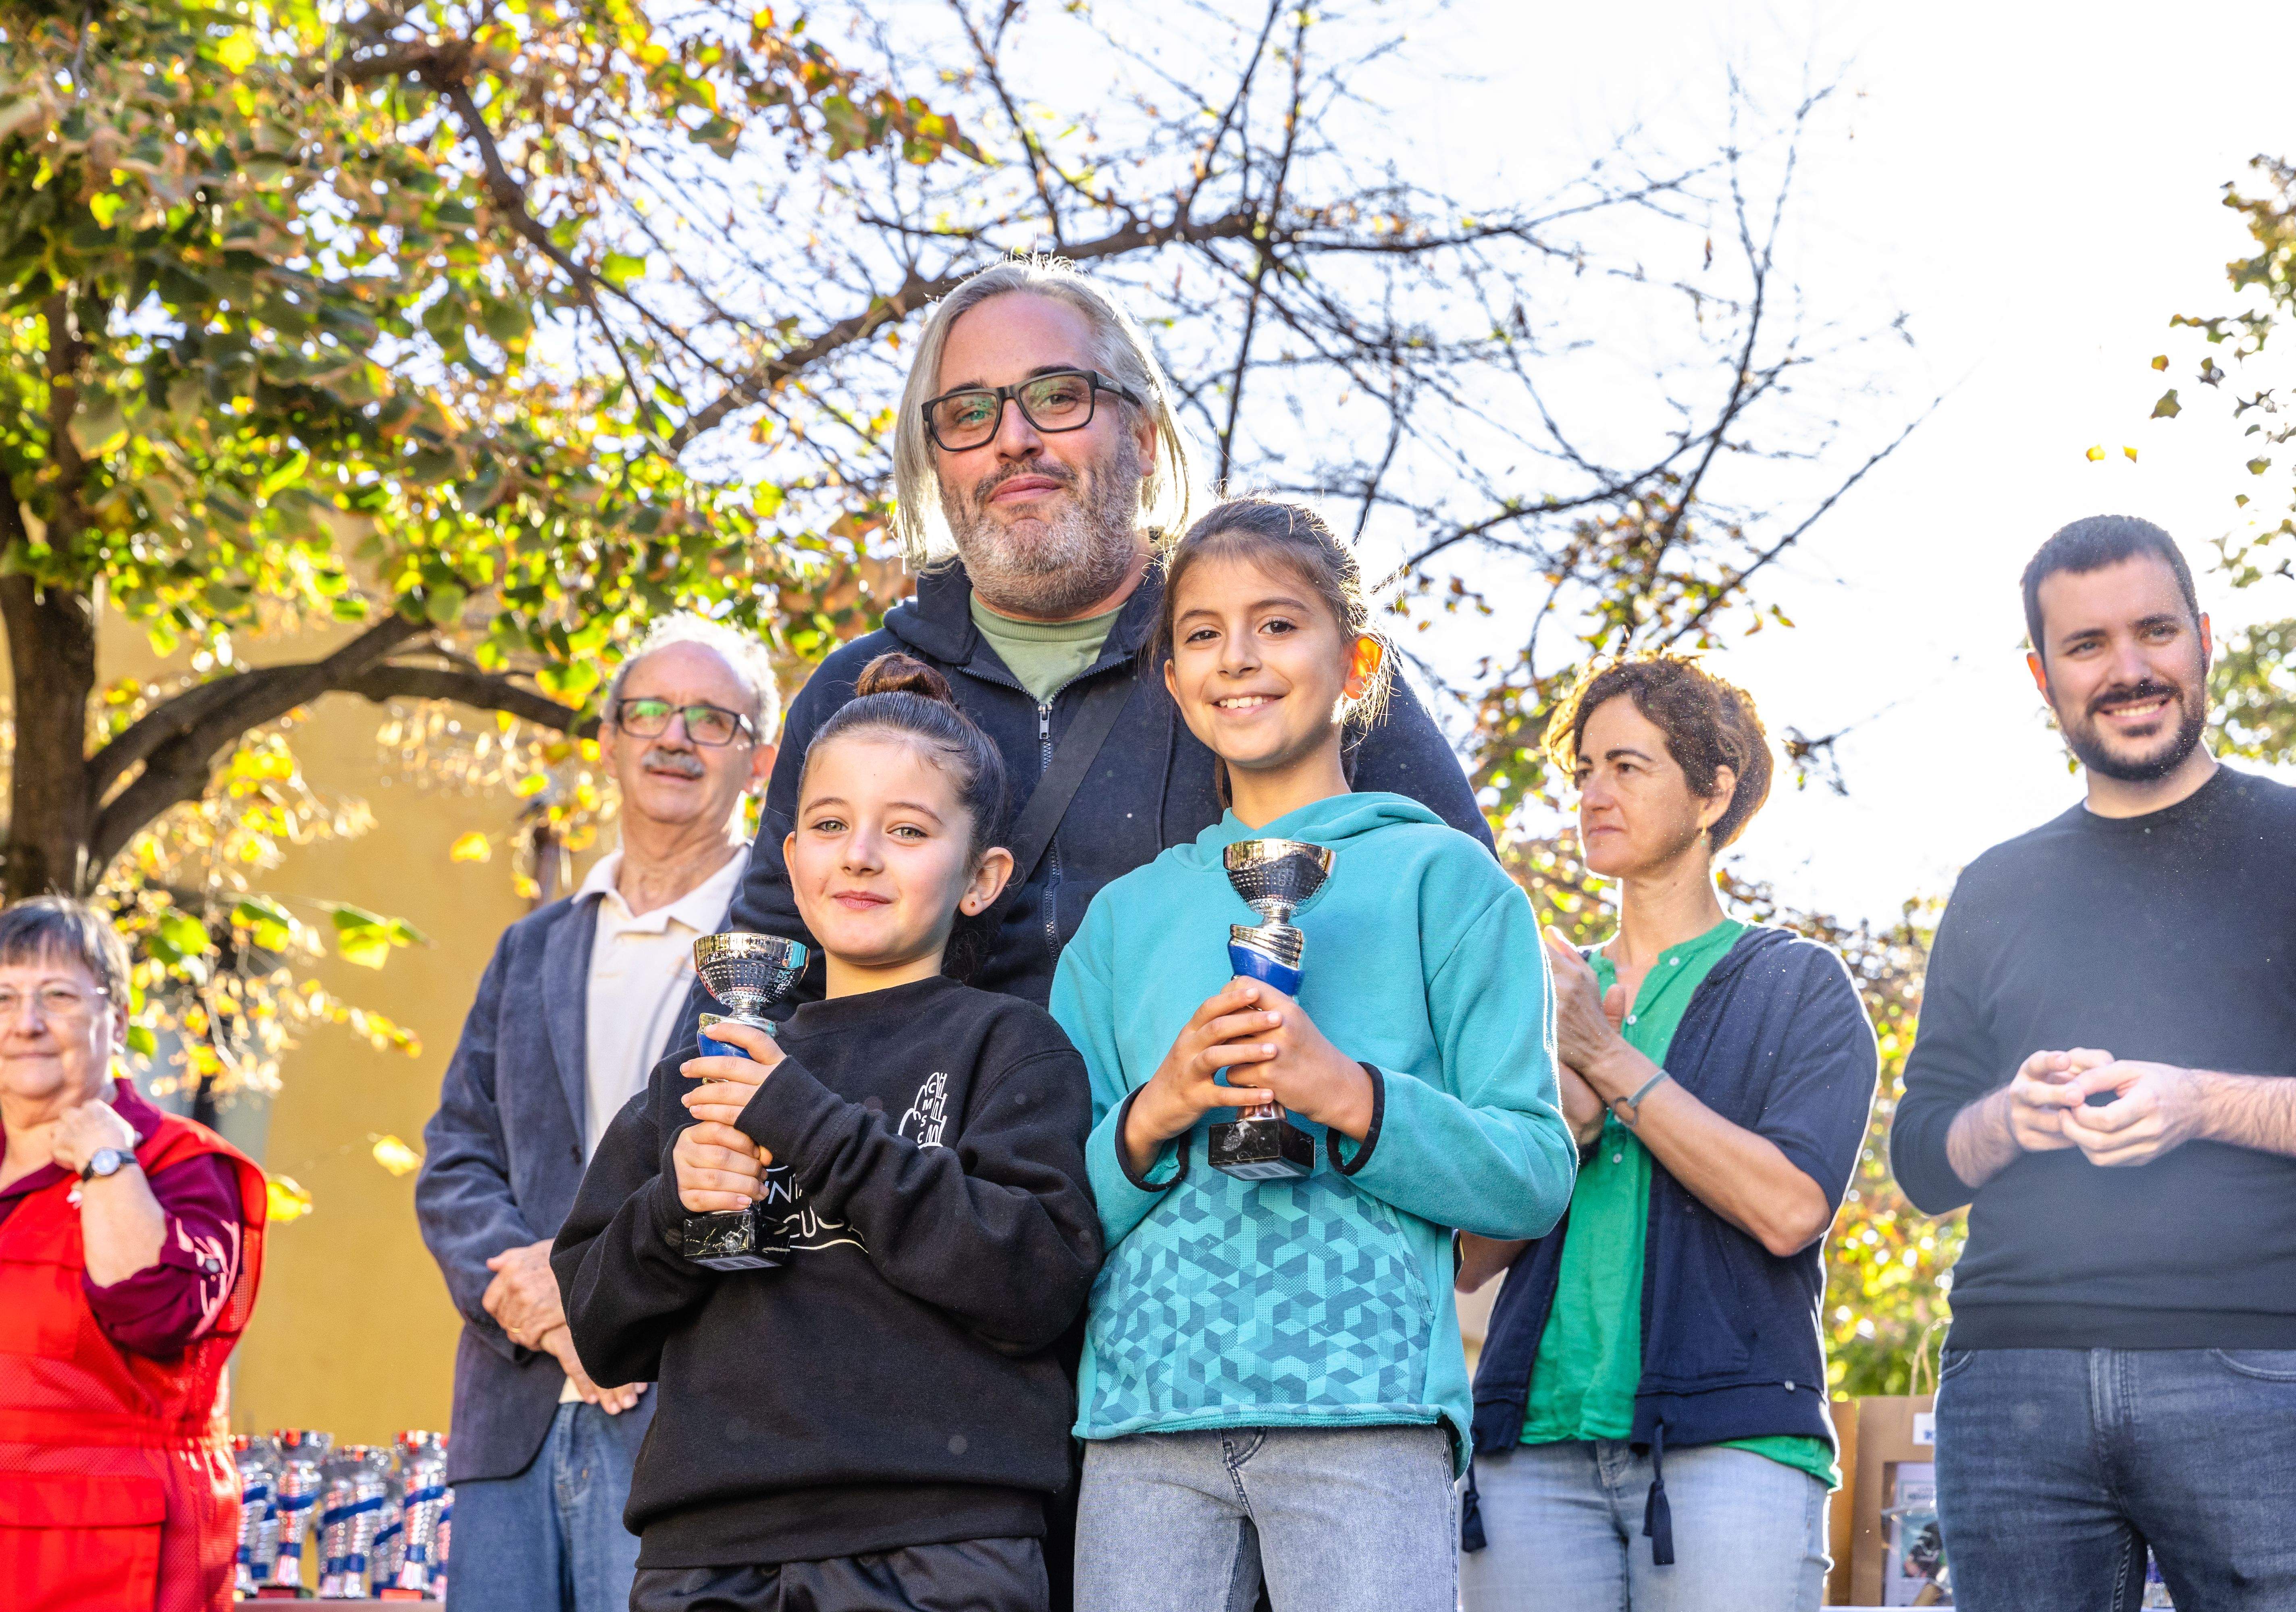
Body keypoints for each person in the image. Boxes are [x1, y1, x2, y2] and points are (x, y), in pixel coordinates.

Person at [696, 254, 1495, 1605]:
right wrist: (666, 1208)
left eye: (1054, 397)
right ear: (935, 461)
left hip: (1224, 1320)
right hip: (926, 1323)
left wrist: (1426, 1201)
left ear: (1139, 427)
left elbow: (1452, 941)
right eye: (968, 413)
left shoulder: (1252, 649)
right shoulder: (861, 683)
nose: (1012, 437)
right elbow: (751, 987)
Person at [1049, 498, 1577, 1612]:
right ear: (1176, 680)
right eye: (1201, 633)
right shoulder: (1120, 923)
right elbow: (1047, 1216)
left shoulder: (1451, 883)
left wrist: (1351, 1098)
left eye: (1278, 624)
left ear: (1357, 660)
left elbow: (1532, 1174)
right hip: (1145, 1412)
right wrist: (1160, 1109)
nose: (1237, 657)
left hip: (1370, 1410)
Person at [1888, 514, 2296, 1610]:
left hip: (2262, 1375)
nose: (2128, 670)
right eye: (2086, 646)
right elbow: (1923, 1157)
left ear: (2205, 638)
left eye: (2156, 631)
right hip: (2012, 1382)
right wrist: (2013, 1119)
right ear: (2043, 676)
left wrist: (2199, 1104)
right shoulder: (1995, 886)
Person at [551, 654, 1102, 1612]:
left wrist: (806, 1125)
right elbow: (599, 1332)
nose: (861, 854)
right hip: (703, 1551)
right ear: (793, 861)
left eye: (908, 830)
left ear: (983, 877)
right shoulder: (708, 1070)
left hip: (938, 1545)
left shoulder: (1010, 1047)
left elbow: (1035, 1284)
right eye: (831, 825)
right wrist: (677, 1209)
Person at [1454, 657, 1878, 1611]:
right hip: (1529, 1444)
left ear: (1713, 790)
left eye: (1628, 767)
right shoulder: (1542, 994)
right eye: (1584, 772)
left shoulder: (1798, 985)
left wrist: (1605, 1059)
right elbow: (1473, 1261)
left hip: (1732, 1446)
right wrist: (1564, 1123)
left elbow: (1787, 1206)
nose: (1593, 795)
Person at [416, 615, 780, 1612]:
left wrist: (606, 1298)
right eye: (649, 711)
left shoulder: (793, 952)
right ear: (609, 740)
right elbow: (456, 1156)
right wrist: (534, 1298)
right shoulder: (529, 947)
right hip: (513, 1412)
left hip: (684, 1415)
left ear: (762, 756)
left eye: (712, 718)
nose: (675, 737)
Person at [0, 895, 266, 1612]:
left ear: (115, 1022)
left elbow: (157, 1311)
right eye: (4, 997)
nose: (25, 1024)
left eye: (56, 997)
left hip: (111, 1564)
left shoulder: (181, 1164)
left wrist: (108, 1162)